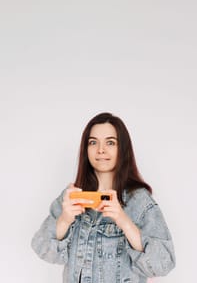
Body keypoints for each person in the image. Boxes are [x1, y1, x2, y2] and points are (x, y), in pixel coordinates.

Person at [31, 112, 176, 283]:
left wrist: (123, 221)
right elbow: (42, 249)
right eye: (93, 142)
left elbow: (164, 264)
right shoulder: (71, 196)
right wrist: (64, 219)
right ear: (86, 149)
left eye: (110, 142)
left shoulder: (139, 201)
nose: (101, 150)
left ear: (122, 149)